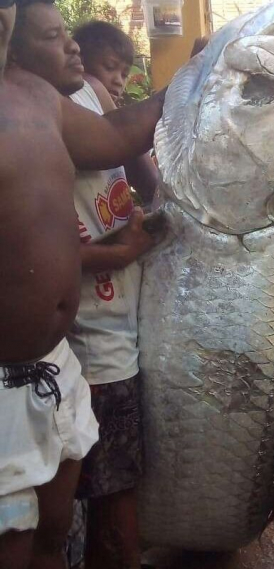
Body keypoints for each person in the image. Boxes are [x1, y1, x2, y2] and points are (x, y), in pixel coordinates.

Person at [0, 1, 165, 567]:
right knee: (13, 541)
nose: (70, 46)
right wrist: (116, 253)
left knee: (54, 529)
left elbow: (117, 137)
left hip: (57, 363)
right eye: (52, 36)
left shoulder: (37, 96)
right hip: (8, 377)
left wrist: (192, 81)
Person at [72, 19, 160, 204]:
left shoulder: (115, 114)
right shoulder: (80, 98)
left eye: (124, 74)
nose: (119, 81)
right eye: (110, 68)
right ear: (79, 62)